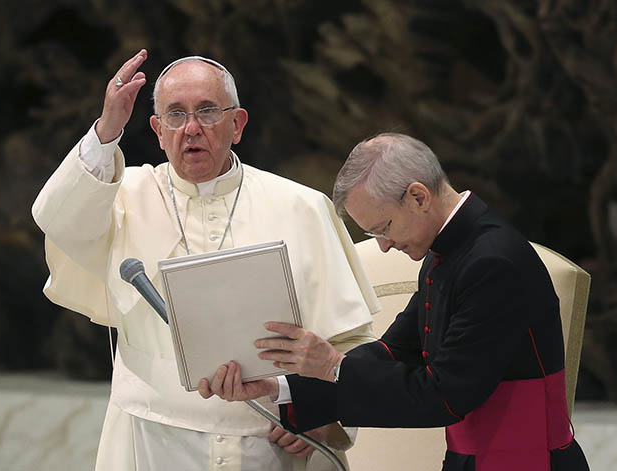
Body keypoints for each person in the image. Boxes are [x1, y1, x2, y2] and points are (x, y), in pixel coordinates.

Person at [31, 49, 379, 471]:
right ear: (157, 130)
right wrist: (107, 129)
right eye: (175, 115)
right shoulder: (122, 198)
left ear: (238, 124)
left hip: (271, 441)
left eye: (207, 111)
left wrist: (317, 412)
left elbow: (348, 340)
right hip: (152, 438)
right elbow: (57, 219)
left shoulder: (303, 207)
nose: (191, 128)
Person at [199, 133, 591, 470]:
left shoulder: (491, 262)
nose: (383, 246)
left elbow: (445, 395)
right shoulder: (447, 249)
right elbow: (395, 350)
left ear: (418, 196)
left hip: (525, 459)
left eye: (383, 228)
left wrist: (334, 366)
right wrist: (280, 386)